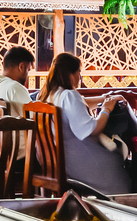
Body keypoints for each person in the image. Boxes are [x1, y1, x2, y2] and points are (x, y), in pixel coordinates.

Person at [38, 53, 131, 195]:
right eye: (79, 73)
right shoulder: (69, 95)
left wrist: (105, 99)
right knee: (119, 158)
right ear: (70, 73)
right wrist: (106, 109)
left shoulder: (49, 94)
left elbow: (81, 103)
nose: (79, 77)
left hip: (61, 161)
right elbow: (92, 129)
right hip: (79, 164)